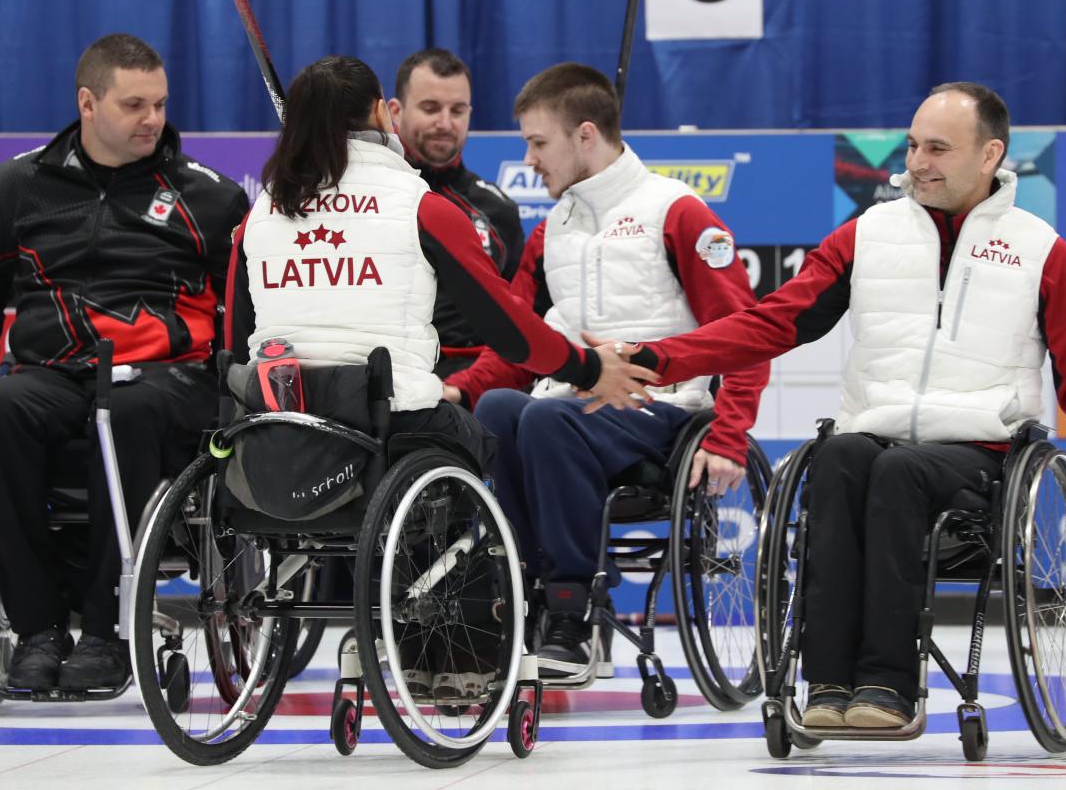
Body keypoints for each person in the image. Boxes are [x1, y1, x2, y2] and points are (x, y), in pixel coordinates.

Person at [609, 82, 1066, 727]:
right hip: (876, 438)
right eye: (913, 145)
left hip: (981, 455)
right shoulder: (867, 235)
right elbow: (772, 324)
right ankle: (829, 685)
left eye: (939, 148)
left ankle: (889, 689)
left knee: (898, 472)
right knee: (837, 459)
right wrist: (660, 358)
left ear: (990, 154)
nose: (918, 162)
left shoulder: (1041, 251)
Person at [224, 55, 655, 697]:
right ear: (382, 113)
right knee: (488, 438)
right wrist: (587, 366)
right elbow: (511, 329)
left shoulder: (260, 216)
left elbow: (233, 342)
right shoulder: (419, 206)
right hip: (385, 429)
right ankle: (470, 636)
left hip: (271, 440)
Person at [442, 63, 769, 675]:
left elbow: (747, 334)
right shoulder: (552, 231)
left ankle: (574, 606)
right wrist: (460, 389)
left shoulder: (679, 212)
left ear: (584, 135)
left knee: (545, 420)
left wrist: (728, 434)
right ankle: (533, 588)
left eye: (538, 142)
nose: (531, 159)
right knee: (500, 410)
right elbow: (517, 339)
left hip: (665, 413)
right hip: (578, 410)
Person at [0, 34, 250, 691]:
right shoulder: (21, 183)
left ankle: (108, 630)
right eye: (134, 104)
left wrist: (235, 399)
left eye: (161, 104)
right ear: (88, 103)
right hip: (56, 373)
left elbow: (245, 315)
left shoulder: (211, 197)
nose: (153, 119)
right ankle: (35, 629)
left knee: (127, 411)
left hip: (165, 379)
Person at [388, 48, 528, 378]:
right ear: (395, 111)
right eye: (430, 108)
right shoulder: (369, 197)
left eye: (458, 110)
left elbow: (521, 318)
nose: (445, 123)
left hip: (477, 382)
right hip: (389, 376)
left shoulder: (498, 210)